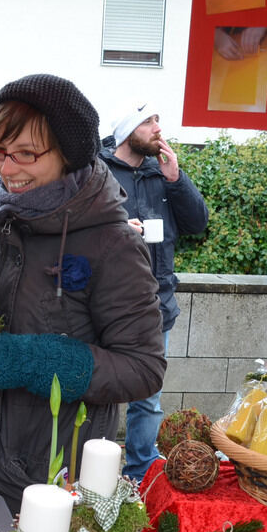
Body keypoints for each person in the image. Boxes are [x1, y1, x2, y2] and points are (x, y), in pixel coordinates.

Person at [0, 74, 166, 514]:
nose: (6, 168)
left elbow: (143, 369)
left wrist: (21, 360)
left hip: (55, 485)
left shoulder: (112, 244)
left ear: (69, 154)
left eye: (25, 154)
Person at [99, 104, 208, 484]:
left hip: (157, 304)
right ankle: (95, 474)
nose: (158, 128)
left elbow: (198, 224)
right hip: (107, 303)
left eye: (158, 120)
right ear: (128, 128)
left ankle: (140, 474)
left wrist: (176, 179)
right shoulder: (98, 170)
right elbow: (77, 229)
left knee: (148, 398)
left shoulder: (162, 172)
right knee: (100, 392)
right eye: (148, 121)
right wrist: (116, 226)